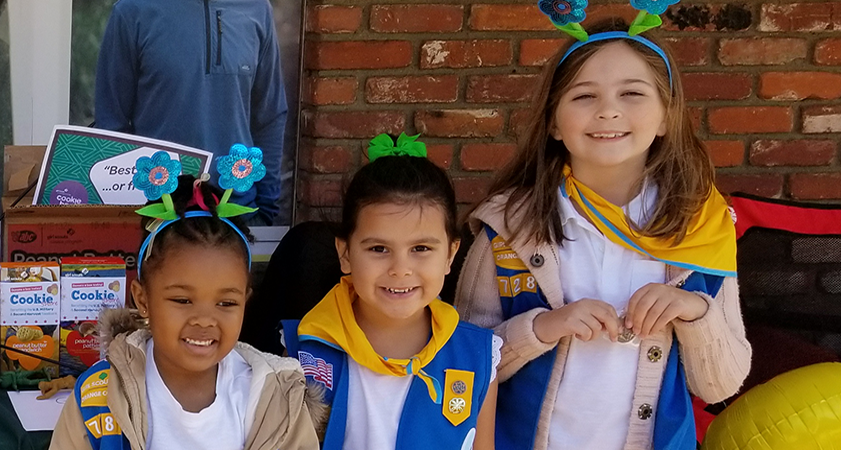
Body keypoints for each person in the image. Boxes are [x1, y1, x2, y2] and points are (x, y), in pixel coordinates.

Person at [453, 18, 750, 450]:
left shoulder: (701, 226)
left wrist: (693, 312)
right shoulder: (510, 228)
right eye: (584, 95)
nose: (608, 110)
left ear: (666, 115)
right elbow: (460, 363)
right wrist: (543, 328)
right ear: (554, 121)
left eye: (631, 93)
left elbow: (722, 384)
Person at [52, 175, 317, 449]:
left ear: (245, 302)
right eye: (182, 300)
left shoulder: (276, 399)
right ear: (142, 300)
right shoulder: (99, 396)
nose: (204, 320)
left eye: (226, 303)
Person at [286, 152, 499, 449]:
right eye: (378, 248)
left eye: (421, 248)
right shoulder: (302, 349)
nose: (400, 269)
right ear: (345, 254)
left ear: (450, 255)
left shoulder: (478, 356)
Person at [94, 0, 287, 224]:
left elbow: (270, 115)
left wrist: (266, 209)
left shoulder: (257, 9)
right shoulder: (132, 10)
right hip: (159, 215)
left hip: (236, 214)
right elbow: (111, 122)